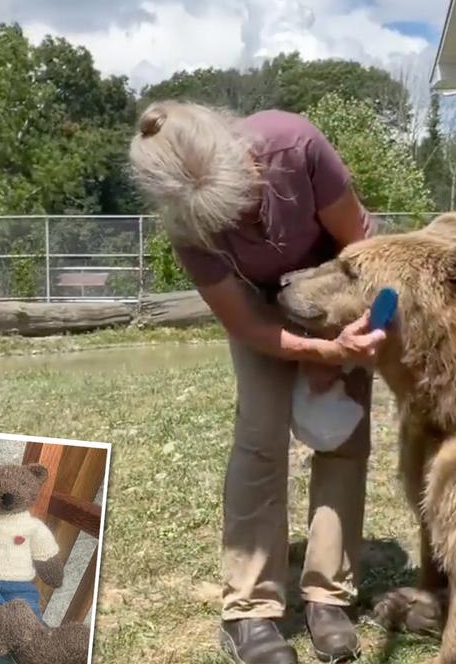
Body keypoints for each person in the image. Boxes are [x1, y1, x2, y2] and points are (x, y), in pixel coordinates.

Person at [128, 100, 385, 664]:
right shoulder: (186, 224)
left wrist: (351, 336)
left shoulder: (294, 146)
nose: (238, 224)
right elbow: (245, 322)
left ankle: (327, 597)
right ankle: (250, 611)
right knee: (259, 441)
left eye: (237, 204)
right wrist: (314, 350)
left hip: (337, 294)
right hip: (265, 312)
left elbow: (364, 252)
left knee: (340, 437)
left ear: (240, 158)